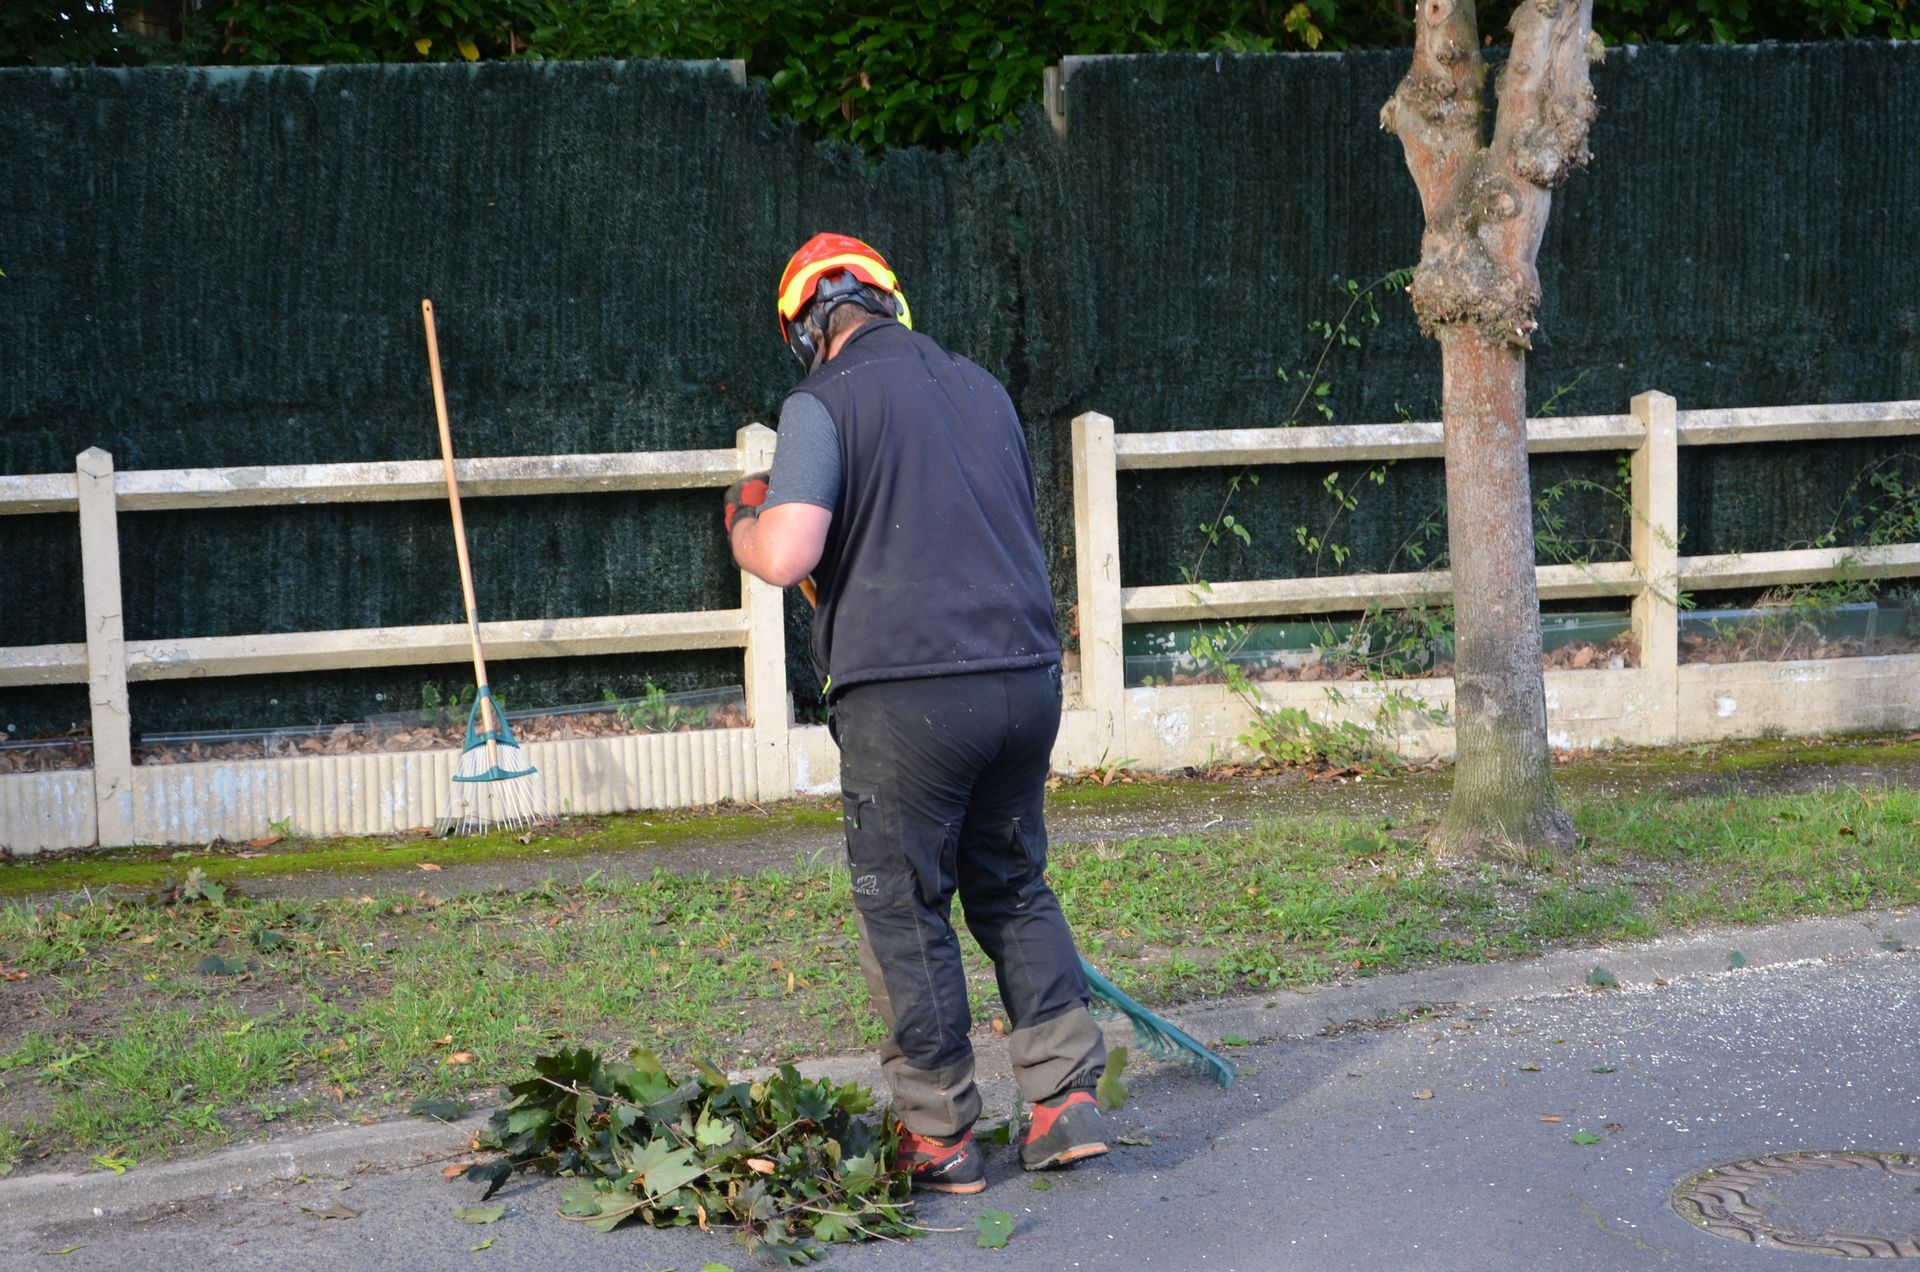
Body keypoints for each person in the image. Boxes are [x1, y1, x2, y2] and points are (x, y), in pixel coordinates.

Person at [725, 232, 1108, 1194]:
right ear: (890, 301)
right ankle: (1065, 1102)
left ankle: (939, 1136)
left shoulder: (821, 401)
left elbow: (786, 556)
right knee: (1014, 886)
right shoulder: (982, 388)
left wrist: (742, 514)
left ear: (807, 328)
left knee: (904, 907)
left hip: (911, 694)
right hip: (1025, 680)